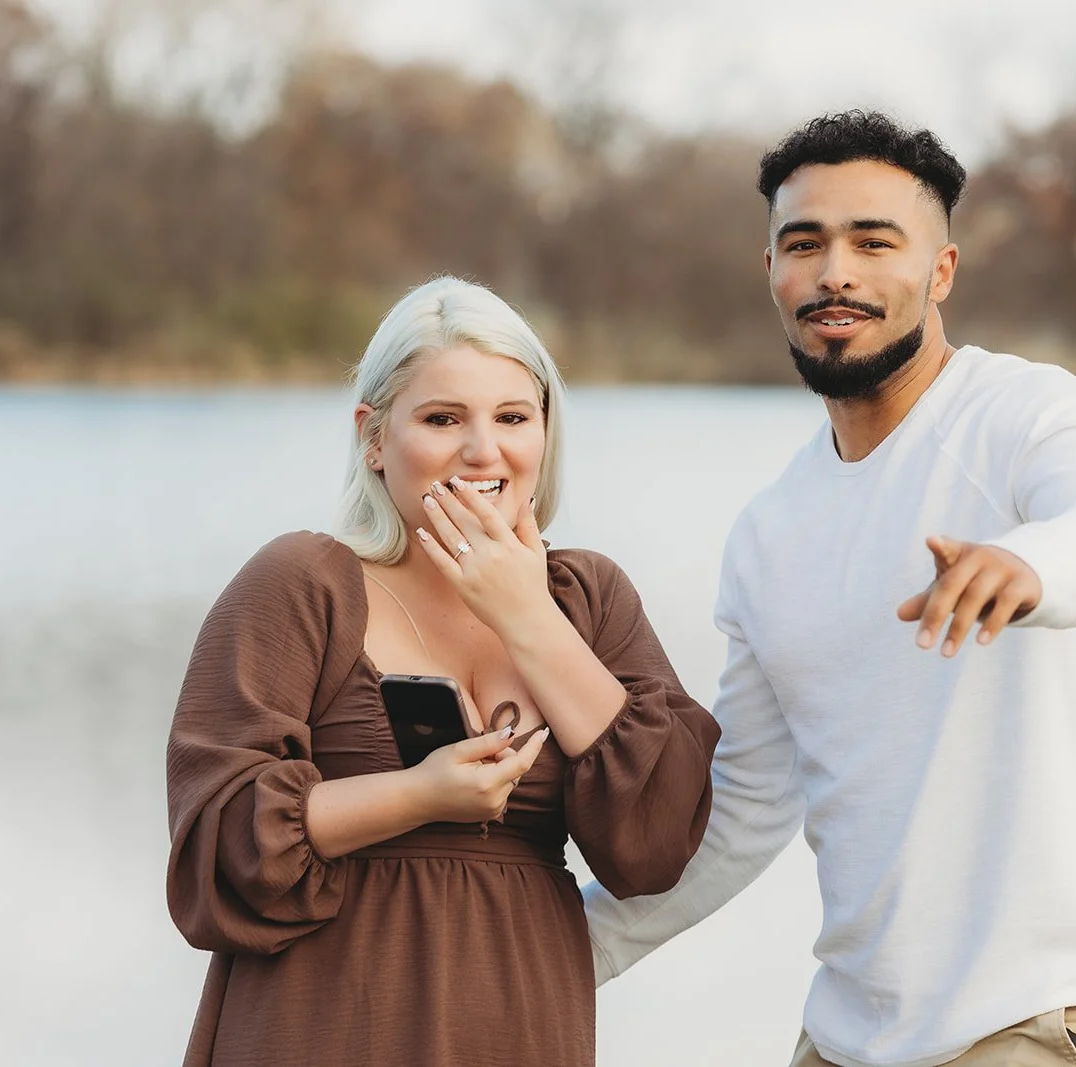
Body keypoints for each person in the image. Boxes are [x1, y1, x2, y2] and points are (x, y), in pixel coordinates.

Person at [582, 111, 1076, 1067]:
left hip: (1046, 1022)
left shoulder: (1027, 416)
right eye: (805, 243)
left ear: (940, 271)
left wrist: (1032, 567)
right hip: (852, 1036)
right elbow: (739, 812)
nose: (836, 272)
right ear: (772, 272)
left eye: (874, 241)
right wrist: (550, 951)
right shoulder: (770, 535)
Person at [165, 276, 720, 1067]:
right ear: (374, 437)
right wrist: (419, 794)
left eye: (512, 417)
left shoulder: (589, 598)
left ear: (545, 432)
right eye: (442, 418)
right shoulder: (301, 583)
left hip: (519, 1027)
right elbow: (212, 855)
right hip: (320, 1027)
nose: (483, 449)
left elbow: (658, 842)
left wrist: (528, 617)